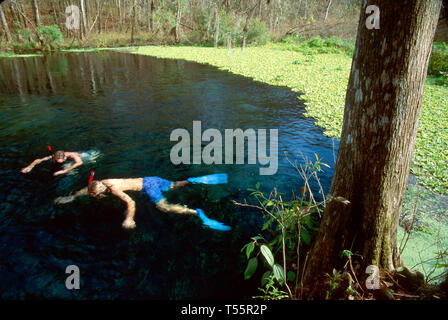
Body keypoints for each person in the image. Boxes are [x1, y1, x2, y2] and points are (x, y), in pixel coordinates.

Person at [54, 173, 231, 231]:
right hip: (150, 178)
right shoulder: (104, 182)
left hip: (148, 188)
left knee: (163, 207)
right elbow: (88, 189)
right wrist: (72, 197)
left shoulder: (114, 190)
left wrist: (129, 219)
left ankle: (196, 212)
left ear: (100, 191)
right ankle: (192, 180)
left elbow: (130, 202)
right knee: (172, 186)